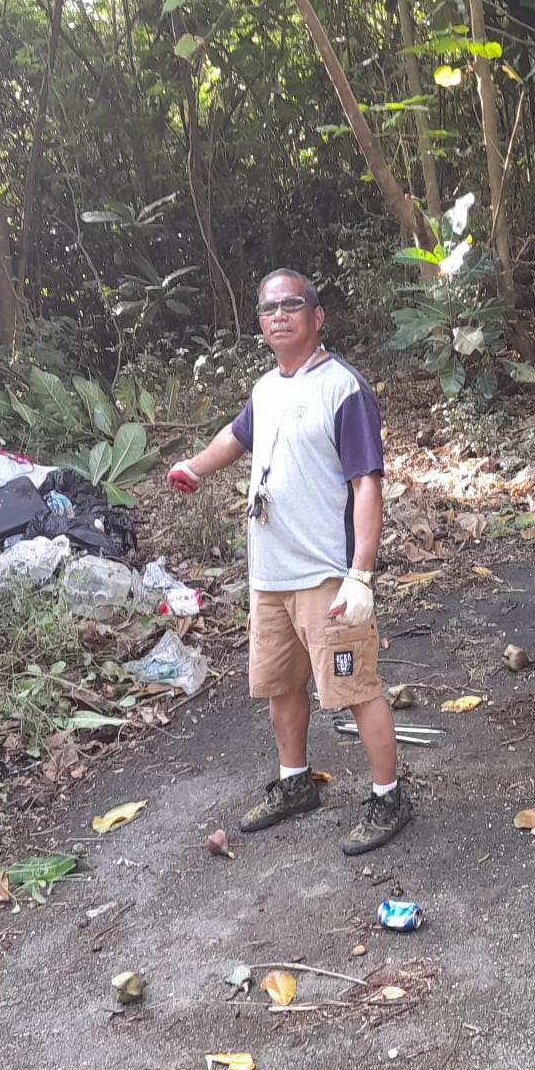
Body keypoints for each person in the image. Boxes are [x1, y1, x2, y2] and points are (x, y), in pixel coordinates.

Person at [165, 269, 413, 855]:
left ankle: (389, 795)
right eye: (268, 308)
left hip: (327, 574)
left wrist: (361, 574)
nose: (279, 315)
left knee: (356, 687)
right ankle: (295, 783)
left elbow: (366, 485)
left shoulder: (343, 389)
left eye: (291, 305)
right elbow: (236, 436)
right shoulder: (267, 389)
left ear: (317, 316)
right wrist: (196, 469)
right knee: (281, 685)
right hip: (269, 575)